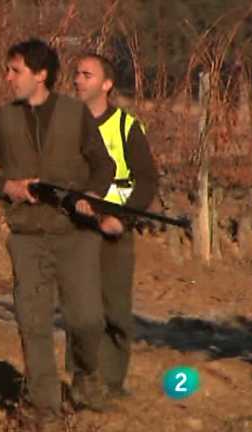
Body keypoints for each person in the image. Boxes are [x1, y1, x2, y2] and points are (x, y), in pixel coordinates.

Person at [0, 38, 115, 422]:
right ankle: (45, 407)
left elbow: (104, 166)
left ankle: (87, 379)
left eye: (16, 71)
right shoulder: (2, 120)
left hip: (76, 234)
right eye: (8, 70)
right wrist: (6, 186)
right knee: (33, 322)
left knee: (86, 321)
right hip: (27, 237)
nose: (8, 78)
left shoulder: (75, 114)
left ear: (40, 75)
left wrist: (92, 195)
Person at [71, 53, 158, 398]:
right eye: (76, 74)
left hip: (115, 231)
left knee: (116, 312)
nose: (77, 80)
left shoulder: (126, 127)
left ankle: (112, 384)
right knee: (81, 313)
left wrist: (121, 219)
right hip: (76, 230)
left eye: (86, 75)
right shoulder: (65, 126)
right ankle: (82, 383)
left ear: (106, 84)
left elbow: (147, 180)